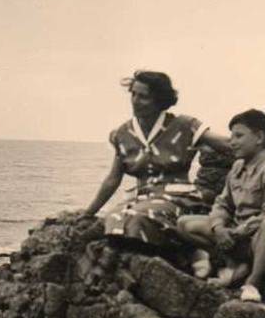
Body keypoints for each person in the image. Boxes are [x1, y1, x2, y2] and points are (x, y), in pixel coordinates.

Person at [83, 70, 232, 250]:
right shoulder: (122, 134)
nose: (135, 101)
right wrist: (89, 213)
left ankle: (188, 254)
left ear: (159, 101)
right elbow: (113, 178)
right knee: (115, 218)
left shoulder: (184, 126)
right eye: (133, 94)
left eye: (143, 97)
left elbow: (226, 144)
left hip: (179, 197)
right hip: (140, 198)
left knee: (139, 218)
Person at [176, 109, 265, 303]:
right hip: (235, 237)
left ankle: (253, 281)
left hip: (261, 240)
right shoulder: (238, 166)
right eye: (231, 136)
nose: (232, 141)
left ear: (259, 137)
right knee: (183, 224)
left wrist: (237, 232)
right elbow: (222, 203)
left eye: (239, 136)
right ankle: (236, 265)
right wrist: (219, 228)